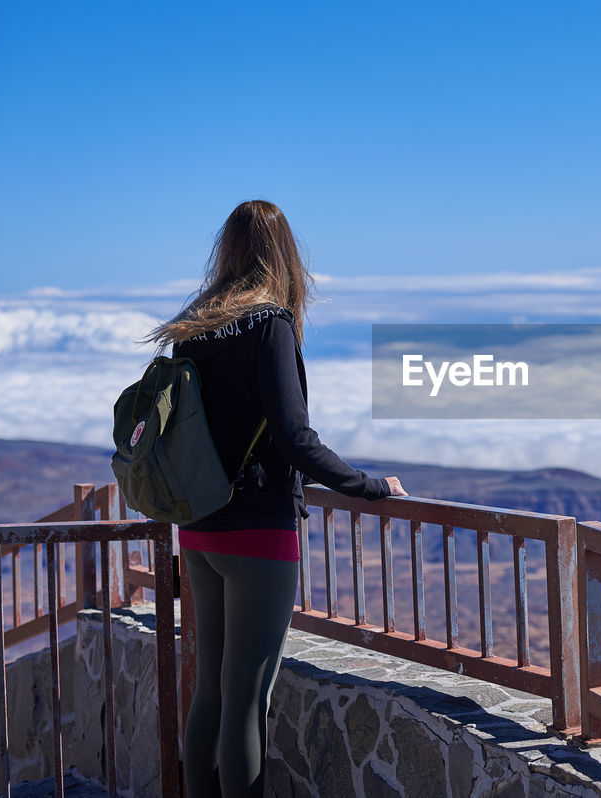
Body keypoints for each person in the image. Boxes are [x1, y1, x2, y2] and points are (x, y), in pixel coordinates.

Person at [145, 199, 405, 797]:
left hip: (201, 528)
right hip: (259, 530)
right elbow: (294, 438)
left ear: (226, 251)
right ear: (284, 256)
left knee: (209, 691)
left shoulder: (195, 331)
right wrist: (370, 486)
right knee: (247, 699)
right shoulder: (270, 324)